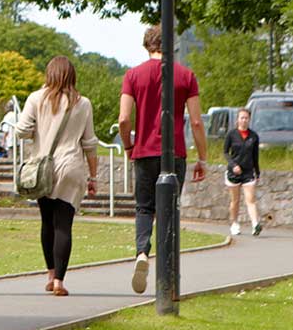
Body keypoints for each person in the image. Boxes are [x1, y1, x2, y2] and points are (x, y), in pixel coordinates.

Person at [116, 25, 207, 294]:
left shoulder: (133, 76)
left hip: (144, 152)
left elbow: (123, 119)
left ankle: (142, 252)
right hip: (174, 153)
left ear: (147, 46)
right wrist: (202, 158)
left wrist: (128, 146)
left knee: (144, 208)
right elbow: (198, 121)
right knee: (170, 212)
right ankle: (169, 276)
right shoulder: (186, 76)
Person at [11, 56, 100, 296]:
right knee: (64, 225)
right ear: (72, 76)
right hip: (71, 167)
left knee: (46, 222)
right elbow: (90, 143)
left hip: (43, 169)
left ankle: (50, 274)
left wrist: (34, 132)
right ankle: (60, 281)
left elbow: (21, 131)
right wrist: (93, 177)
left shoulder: (35, 99)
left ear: (48, 74)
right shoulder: (83, 104)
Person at [223, 109, 263, 236]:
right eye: (242, 118)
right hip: (234, 172)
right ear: (237, 119)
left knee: (250, 199)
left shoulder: (254, 136)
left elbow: (255, 156)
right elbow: (225, 152)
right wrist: (233, 165)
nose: (244, 120)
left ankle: (255, 224)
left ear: (249, 120)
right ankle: (234, 223)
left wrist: (257, 172)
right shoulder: (231, 134)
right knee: (235, 200)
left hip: (248, 172)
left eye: (246, 118)